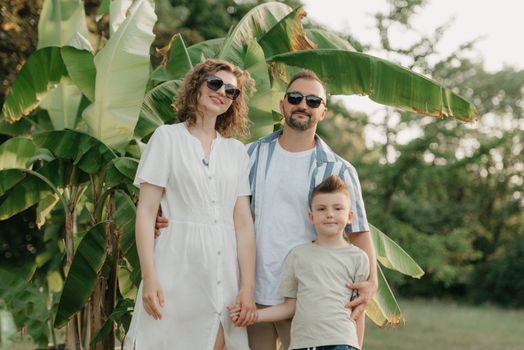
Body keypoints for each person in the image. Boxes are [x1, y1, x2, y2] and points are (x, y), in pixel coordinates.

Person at [156, 69, 377, 350]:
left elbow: (358, 232)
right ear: (282, 104)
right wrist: (163, 214)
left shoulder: (340, 169)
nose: (303, 105)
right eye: (295, 97)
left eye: (313, 101)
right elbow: (212, 201)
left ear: (323, 112)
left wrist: (372, 284)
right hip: (251, 293)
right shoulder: (249, 156)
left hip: (309, 299)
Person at [124, 59, 257, 350]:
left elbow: (243, 224)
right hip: (173, 267)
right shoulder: (166, 138)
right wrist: (149, 277)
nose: (223, 92)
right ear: (196, 85)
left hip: (223, 274)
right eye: (215, 83)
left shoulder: (237, 153)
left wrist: (247, 287)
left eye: (232, 91)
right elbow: (146, 212)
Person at [228, 175, 369, 350]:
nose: (330, 214)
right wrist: (252, 315)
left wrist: (357, 345)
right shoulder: (298, 256)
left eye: (338, 208)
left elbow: (359, 310)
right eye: (322, 209)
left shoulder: (359, 258)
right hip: (304, 344)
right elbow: (289, 307)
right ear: (311, 216)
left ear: (349, 216)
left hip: (342, 342)